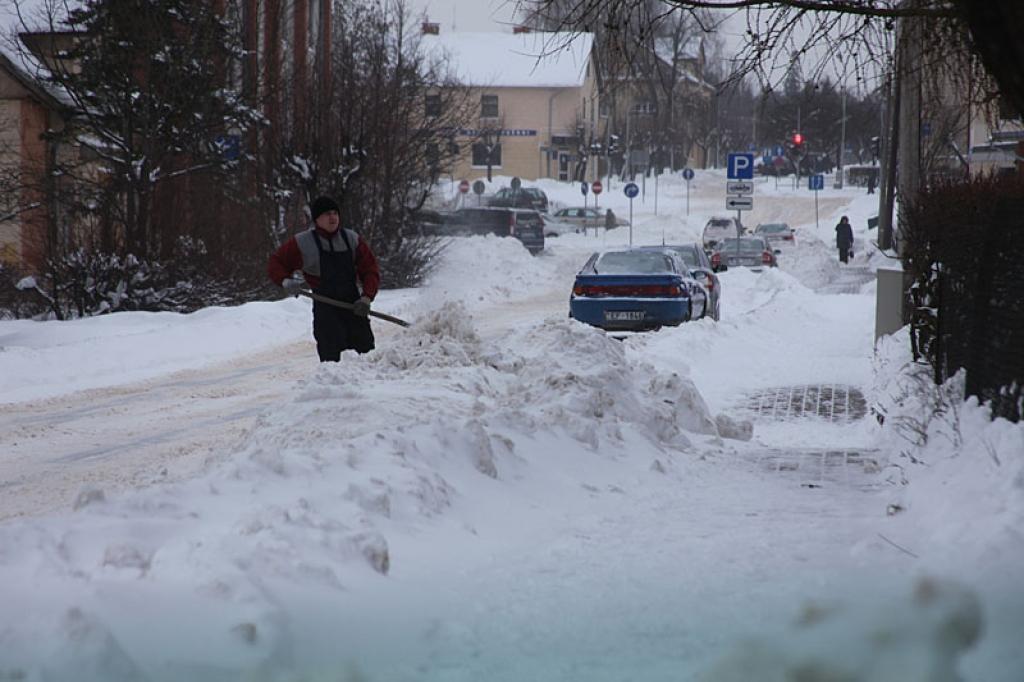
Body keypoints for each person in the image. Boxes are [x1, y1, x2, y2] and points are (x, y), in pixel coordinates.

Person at [268, 195, 381, 361]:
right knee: (332, 361)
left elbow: (370, 269)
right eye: (327, 214)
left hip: (354, 307)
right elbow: (276, 262)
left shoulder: (351, 239)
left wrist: (366, 297)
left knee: (366, 357)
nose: (333, 217)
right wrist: (285, 280)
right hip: (325, 309)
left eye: (335, 213)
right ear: (317, 219)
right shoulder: (303, 243)